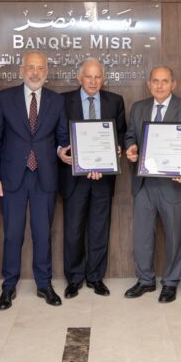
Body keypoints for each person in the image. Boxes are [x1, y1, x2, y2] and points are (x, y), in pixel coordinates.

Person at [0, 50, 70, 310]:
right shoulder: (4, 98)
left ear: (47, 72)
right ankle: (8, 285)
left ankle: (44, 284)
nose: (35, 73)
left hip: (44, 176)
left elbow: (62, 138)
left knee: (42, 233)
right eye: (30, 68)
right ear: (21, 70)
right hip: (12, 177)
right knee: (12, 234)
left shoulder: (56, 101)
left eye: (40, 68)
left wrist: (63, 151)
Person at [122, 66, 181, 303]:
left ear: (173, 84)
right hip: (144, 183)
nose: (159, 86)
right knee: (142, 236)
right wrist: (130, 148)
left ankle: (170, 282)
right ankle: (145, 280)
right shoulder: (138, 107)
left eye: (164, 81)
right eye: (155, 81)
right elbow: (130, 135)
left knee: (175, 236)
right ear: (149, 84)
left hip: (175, 184)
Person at [58, 58, 126, 298]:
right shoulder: (63, 101)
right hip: (73, 177)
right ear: (80, 78)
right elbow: (58, 133)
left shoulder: (115, 101)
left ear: (103, 79)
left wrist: (118, 148)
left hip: (103, 177)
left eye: (98, 76)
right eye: (88, 76)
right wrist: (60, 151)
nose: (93, 81)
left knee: (99, 229)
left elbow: (121, 132)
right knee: (73, 230)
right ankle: (74, 278)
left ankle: (95, 277)